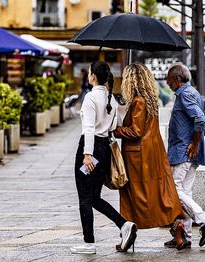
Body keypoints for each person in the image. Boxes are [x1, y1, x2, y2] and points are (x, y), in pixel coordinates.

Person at [113, 63, 187, 250]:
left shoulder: (138, 101)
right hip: (152, 152)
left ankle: (127, 234)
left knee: (132, 197)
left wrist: (117, 130)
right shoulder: (150, 100)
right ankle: (176, 227)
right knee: (157, 195)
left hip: (137, 156)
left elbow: (136, 131)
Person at [71, 61, 137, 255]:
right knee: (94, 197)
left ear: (93, 77)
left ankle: (89, 243)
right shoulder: (112, 99)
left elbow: (89, 128)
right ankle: (124, 225)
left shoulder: (91, 98)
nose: (89, 75)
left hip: (90, 149)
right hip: (104, 150)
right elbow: (112, 127)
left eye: (90, 72)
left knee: (84, 196)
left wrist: (87, 155)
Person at [165, 63, 205, 248]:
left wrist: (194, 144)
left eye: (169, 79)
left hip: (183, 152)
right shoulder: (193, 92)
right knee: (185, 193)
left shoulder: (185, 94)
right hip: (190, 153)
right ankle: (185, 235)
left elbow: (200, 119)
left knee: (175, 190)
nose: (167, 83)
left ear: (178, 80)